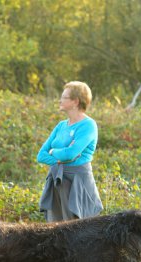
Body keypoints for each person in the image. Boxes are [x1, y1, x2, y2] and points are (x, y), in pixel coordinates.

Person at [36, 81, 102, 221]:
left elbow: (70, 154)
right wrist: (58, 155)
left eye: (64, 97)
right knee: (57, 230)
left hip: (77, 182)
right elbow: (41, 155)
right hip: (57, 181)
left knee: (80, 229)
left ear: (75, 101)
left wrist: (55, 152)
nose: (60, 100)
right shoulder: (61, 126)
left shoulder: (88, 125)